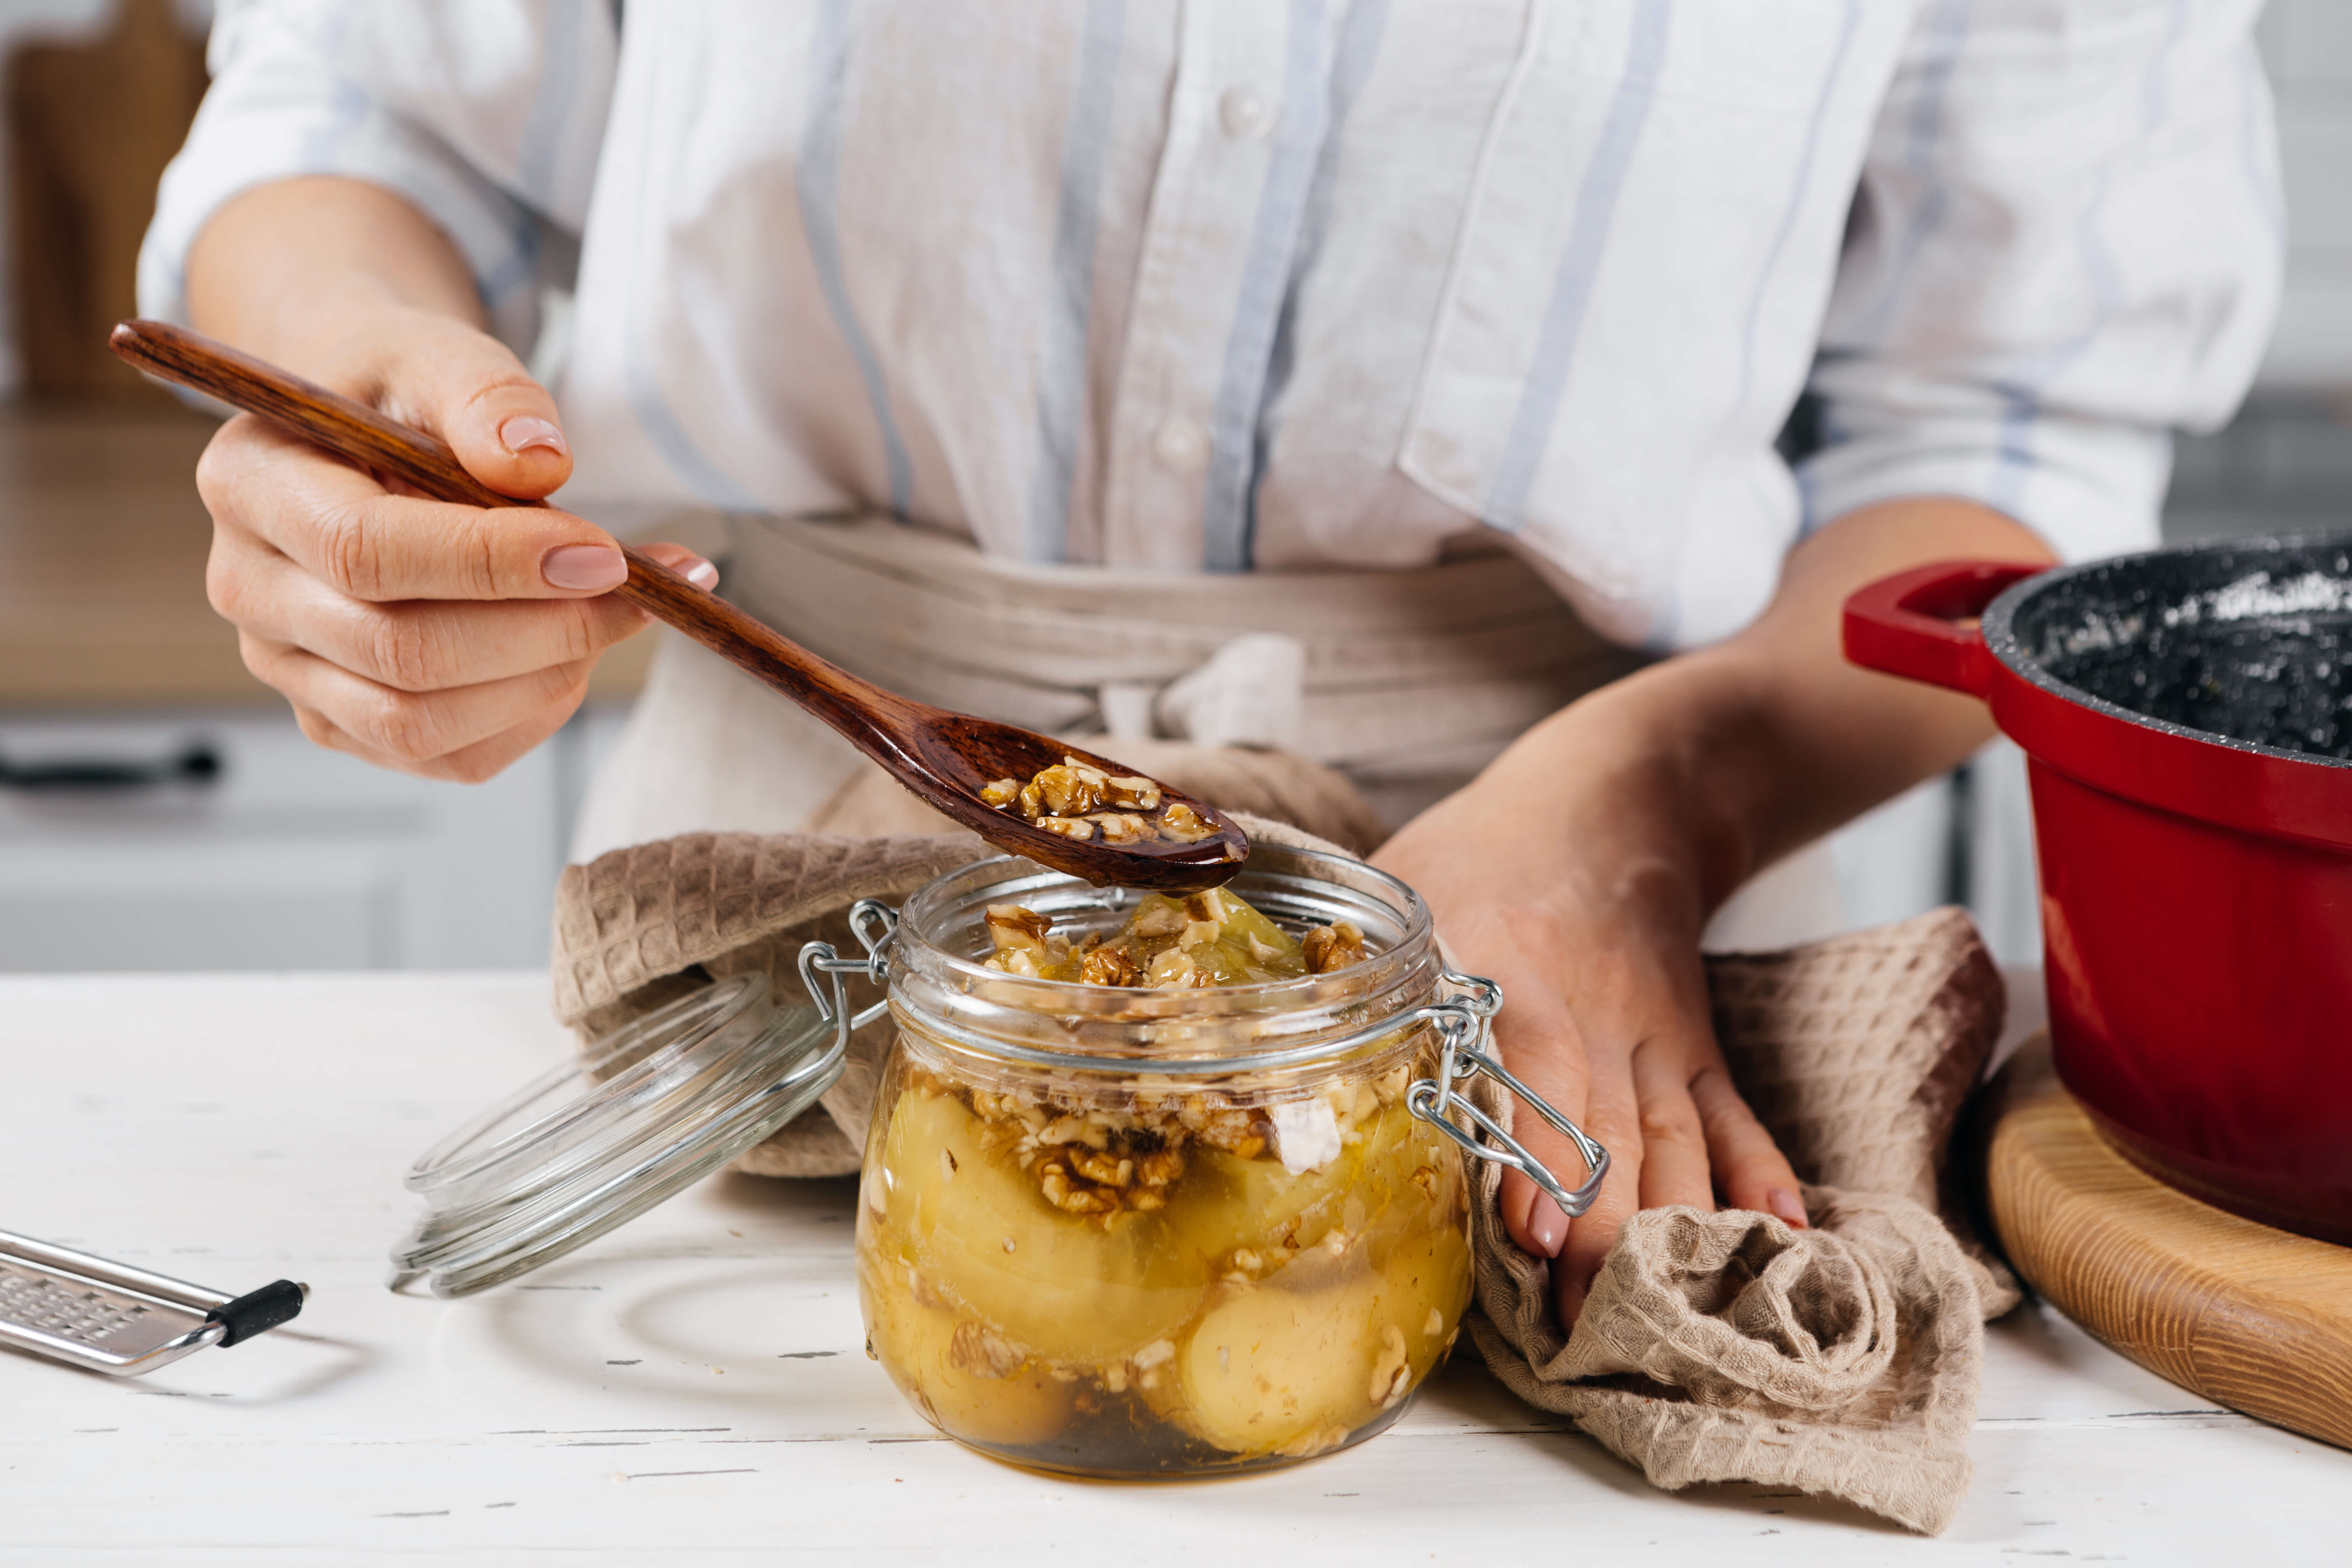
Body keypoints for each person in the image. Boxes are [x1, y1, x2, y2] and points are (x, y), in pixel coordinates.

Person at [140, 0, 2279, 1326]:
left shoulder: (1633, 858)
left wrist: (1632, 823)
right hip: (788, 839)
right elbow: (363, 122)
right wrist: (365, 393)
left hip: (1619, 951)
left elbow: (2009, 452)